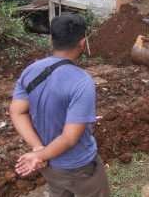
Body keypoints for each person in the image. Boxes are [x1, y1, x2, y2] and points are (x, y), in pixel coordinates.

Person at [9, 15, 110, 197]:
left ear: (51, 39)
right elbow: (69, 138)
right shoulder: (81, 82)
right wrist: (39, 155)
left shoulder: (31, 70)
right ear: (82, 42)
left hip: (51, 167)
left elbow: (17, 112)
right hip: (81, 167)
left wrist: (38, 149)